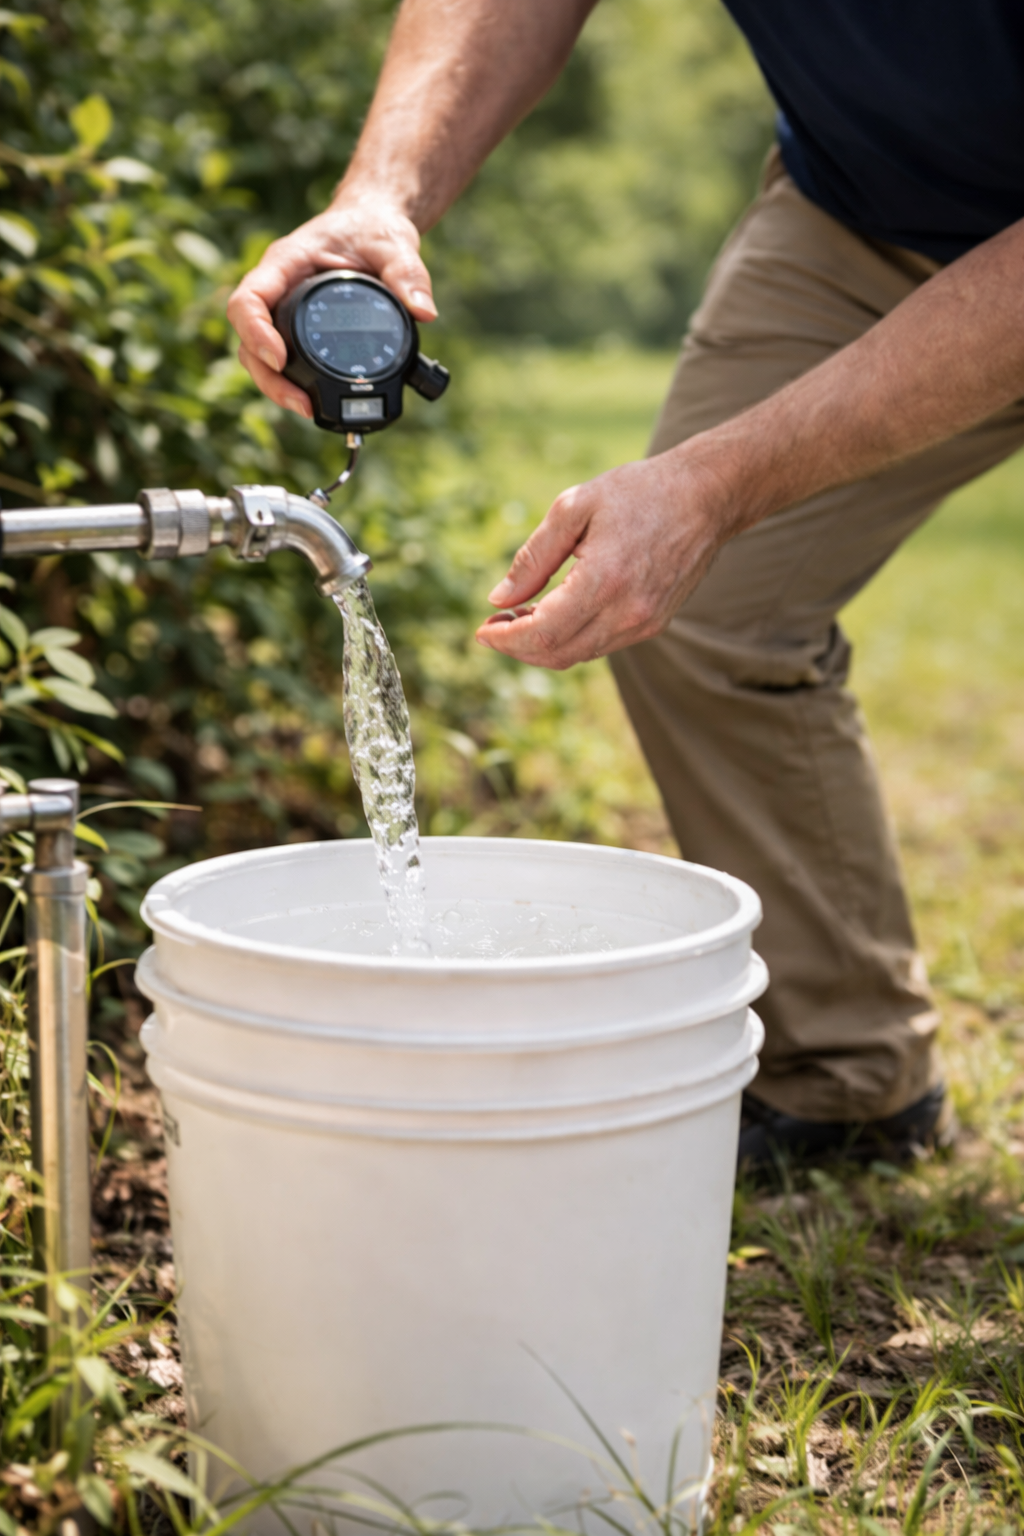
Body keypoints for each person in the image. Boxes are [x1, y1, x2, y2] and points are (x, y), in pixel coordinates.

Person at [228, 0, 1024, 1170]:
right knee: (706, 607)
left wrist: (716, 484)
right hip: (867, 212)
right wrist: (379, 195)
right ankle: (853, 1086)